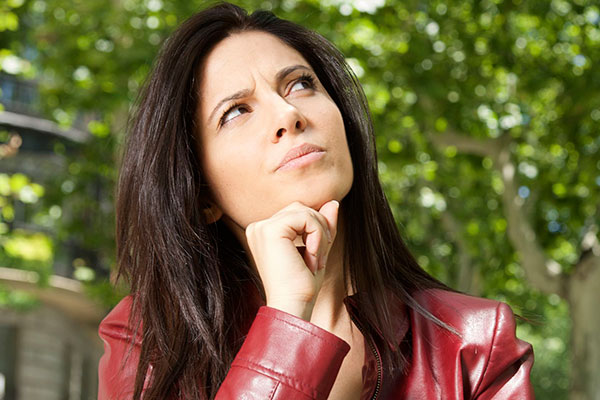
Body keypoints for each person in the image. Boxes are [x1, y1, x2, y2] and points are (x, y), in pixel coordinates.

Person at [97, 2, 534, 399]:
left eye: (300, 84)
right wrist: (287, 318)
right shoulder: (148, 340)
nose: (288, 113)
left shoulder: (475, 345)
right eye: (236, 111)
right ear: (202, 195)